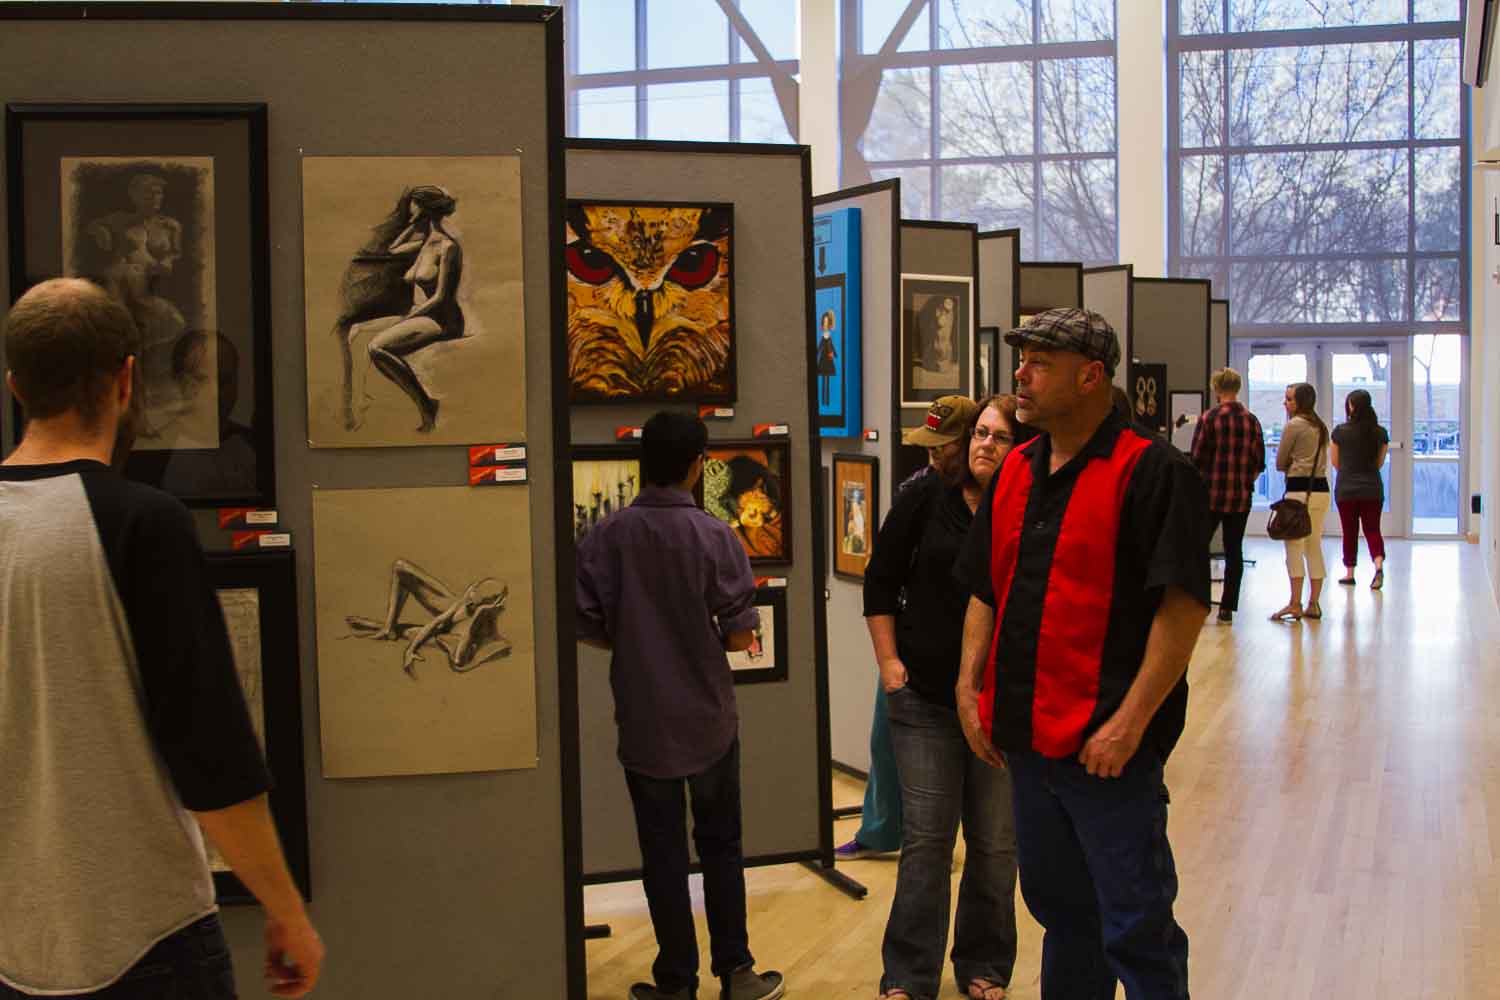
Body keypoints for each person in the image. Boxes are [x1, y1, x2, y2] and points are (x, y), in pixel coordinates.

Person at [0, 278, 323, 999]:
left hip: (14, 940)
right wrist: (284, 907)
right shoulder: (142, 522)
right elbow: (209, 748)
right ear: (127, 379)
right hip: (143, 932)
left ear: (16, 386)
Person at [954, 307, 1210, 1000]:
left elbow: (1183, 607)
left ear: (1091, 377)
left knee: (1137, 927)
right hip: (1027, 746)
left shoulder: (1154, 471)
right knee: (1063, 917)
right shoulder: (1016, 470)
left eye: (1039, 363)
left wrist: (1130, 722)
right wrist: (968, 687)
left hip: (1107, 753)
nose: (1020, 375)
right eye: (1022, 361)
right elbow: (986, 588)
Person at [575, 411, 784, 1000]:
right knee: (721, 846)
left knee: (661, 855)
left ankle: (675, 982)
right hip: (708, 716)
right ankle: (736, 972)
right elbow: (740, 637)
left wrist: (635, 638)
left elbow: (585, 622)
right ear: (697, 465)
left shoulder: (607, 535)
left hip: (644, 716)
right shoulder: (715, 536)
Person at [864, 394, 1037, 1000]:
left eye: (1000, 436)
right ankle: (908, 974)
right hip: (925, 701)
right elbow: (880, 581)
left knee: (995, 843)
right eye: (980, 434)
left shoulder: (1029, 507)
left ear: (1022, 448)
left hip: (1000, 705)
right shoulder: (924, 497)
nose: (986, 444)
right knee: (928, 842)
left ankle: (984, 964)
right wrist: (890, 664)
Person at [354, 185, 465, 433]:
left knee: (376, 347)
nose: (409, 209)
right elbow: (392, 250)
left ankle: (427, 405)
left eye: (413, 205)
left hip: (441, 319)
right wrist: (413, 226)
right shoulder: (424, 243)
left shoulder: (448, 247)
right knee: (356, 330)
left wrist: (405, 320)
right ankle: (359, 407)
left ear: (423, 208)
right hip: (418, 315)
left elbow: (441, 298)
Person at [1191, 367, 1266, 624]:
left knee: (1198, 548)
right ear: (1237, 388)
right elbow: (1259, 462)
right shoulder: (1251, 421)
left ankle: (1199, 601)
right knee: (1234, 550)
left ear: (1216, 389)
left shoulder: (1209, 418)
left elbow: (1197, 458)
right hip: (1240, 497)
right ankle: (1227, 608)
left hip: (1210, 495)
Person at [1271, 382, 1331, 622]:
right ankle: (1313, 603)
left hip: (1298, 491)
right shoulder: (1321, 427)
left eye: (1289, 399)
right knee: (1313, 545)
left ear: (1300, 402)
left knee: (1294, 547)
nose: (1285, 403)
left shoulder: (1294, 425)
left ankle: (1295, 603)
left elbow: (1280, 462)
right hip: (1321, 490)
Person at [1331, 389, 1389, 590]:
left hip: (1346, 489)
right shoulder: (1380, 433)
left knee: (1349, 531)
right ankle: (1378, 566)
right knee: (1372, 529)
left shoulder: (1340, 432)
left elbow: (1335, 462)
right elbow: (1379, 463)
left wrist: (1349, 470)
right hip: (1372, 488)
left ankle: (1350, 573)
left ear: (1351, 406)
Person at [817, 309, 838, 406]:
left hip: (829, 358)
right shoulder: (823, 336)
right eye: (824, 323)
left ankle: (827, 401)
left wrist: (835, 354)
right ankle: (823, 400)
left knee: (827, 380)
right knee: (823, 380)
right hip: (823, 359)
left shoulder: (829, 336)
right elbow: (820, 346)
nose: (825, 325)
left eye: (827, 323)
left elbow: (831, 346)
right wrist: (817, 353)